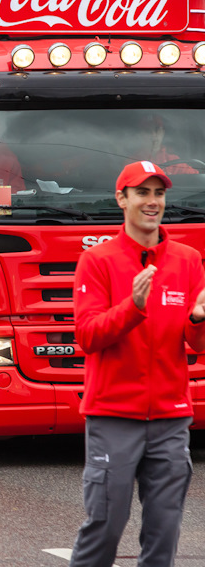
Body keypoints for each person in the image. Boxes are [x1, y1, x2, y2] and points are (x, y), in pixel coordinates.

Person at [69, 161, 205, 567]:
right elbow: (88, 335)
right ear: (122, 199)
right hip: (113, 416)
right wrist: (134, 307)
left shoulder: (187, 260)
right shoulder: (97, 261)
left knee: (164, 533)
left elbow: (195, 344)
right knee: (105, 527)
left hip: (170, 418)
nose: (152, 201)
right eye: (142, 192)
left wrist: (198, 320)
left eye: (158, 193)